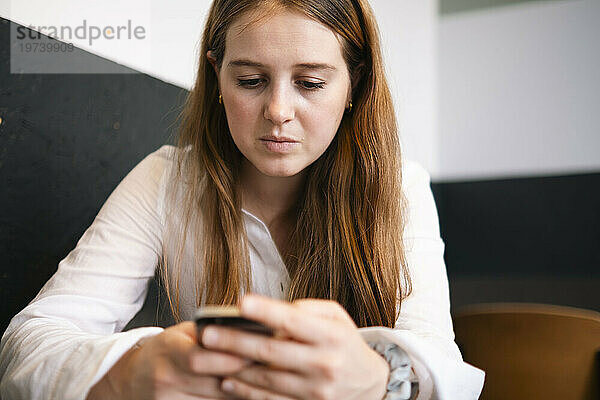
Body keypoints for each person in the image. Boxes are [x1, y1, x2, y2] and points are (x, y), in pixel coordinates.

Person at [0, 0, 485, 399]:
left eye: (311, 84)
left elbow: (445, 364)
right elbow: (30, 344)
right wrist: (131, 369)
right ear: (216, 77)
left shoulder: (398, 188)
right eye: (250, 81)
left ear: (353, 84)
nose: (277, 112)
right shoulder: (166, 180)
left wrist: (379, 377)